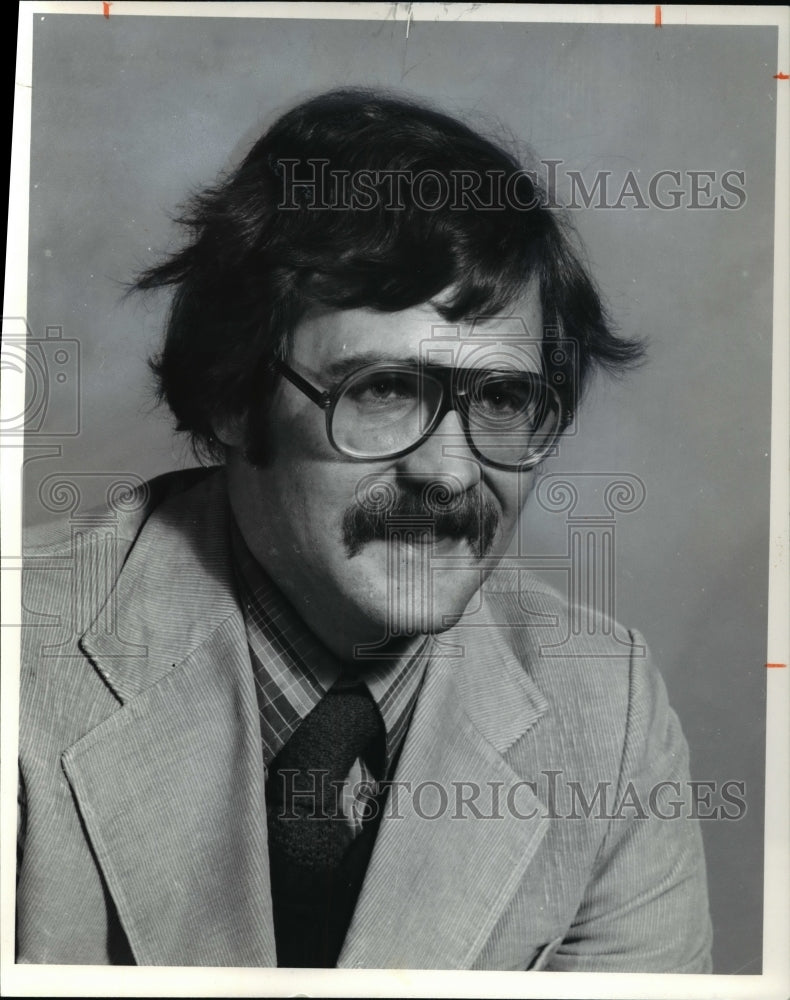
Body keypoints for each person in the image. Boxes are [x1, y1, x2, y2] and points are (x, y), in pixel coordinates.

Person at [16, 88, 712, 971]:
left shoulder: (606, 712)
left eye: (501, 399)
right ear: (234, 395)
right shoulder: (21, 659)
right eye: (382, 390)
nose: (452, 474)